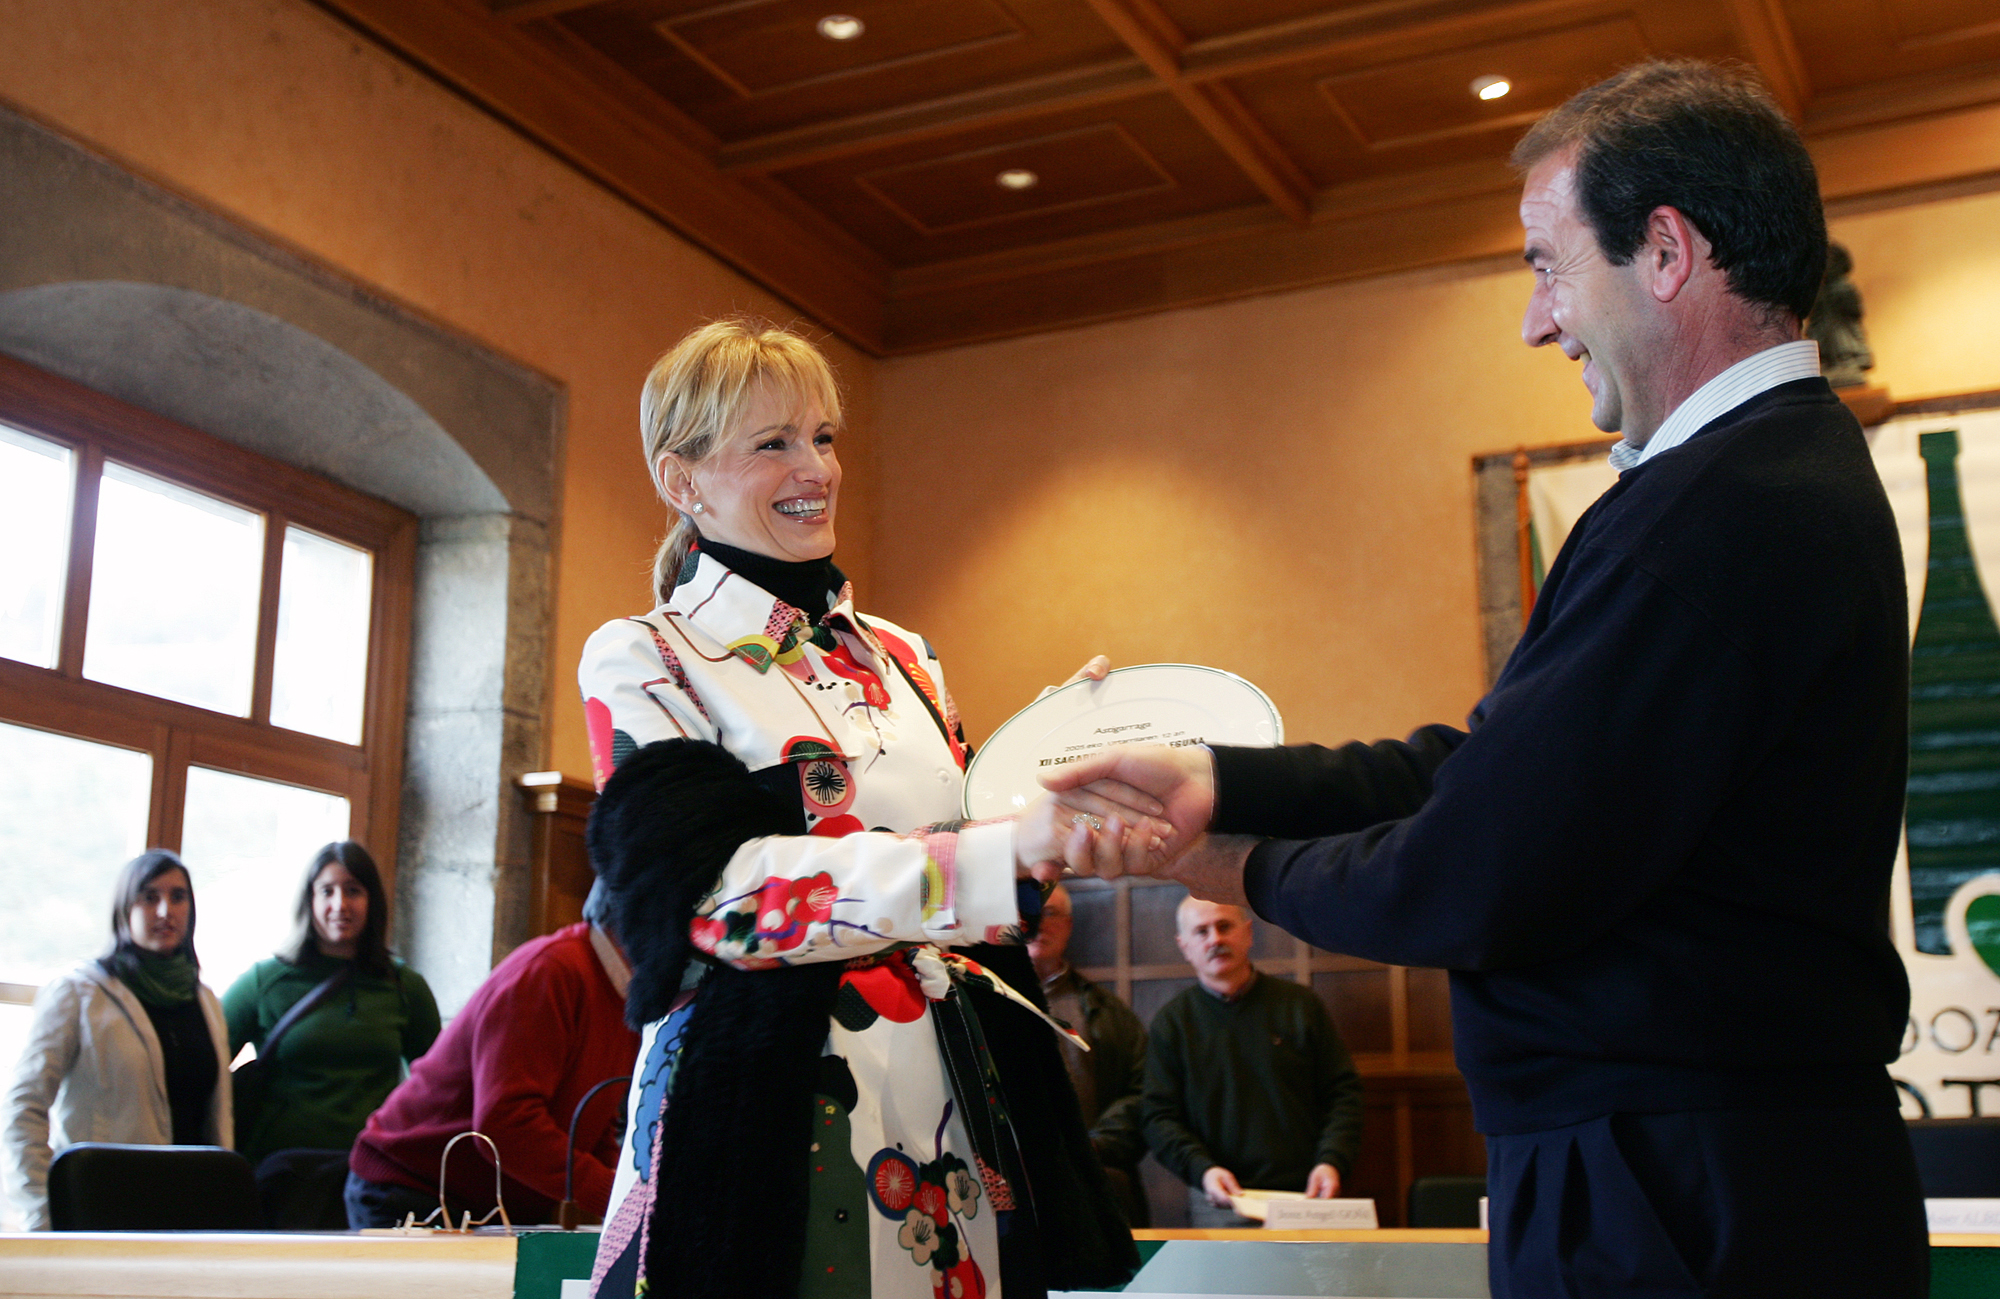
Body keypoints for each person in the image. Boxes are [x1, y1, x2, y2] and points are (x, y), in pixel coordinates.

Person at [1051, 60, 1928, 1298]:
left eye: (1546, 265)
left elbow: (1477, 867)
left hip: (1679, 1199)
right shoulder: (1754, 481)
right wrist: (1216, 779)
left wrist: (1229, 866)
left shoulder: (1716, 513)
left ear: (1663, 251)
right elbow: (1484, 770)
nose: (1534, 320)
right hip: (1711, 1174)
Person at [580, 318, 1143, 1299]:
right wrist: (983, 858)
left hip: (961, 1104)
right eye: (773, 443)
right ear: (681, 480)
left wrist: (1054, 767)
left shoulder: (906, 655)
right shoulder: (647, 655)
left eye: (823, 436)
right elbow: (717, 903)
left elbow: (982, 859)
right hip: (770, 1118)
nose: (816, 468)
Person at [343, 889, 638, 1229]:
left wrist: (630, 1197)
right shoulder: (551, 970)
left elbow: (594, 1124)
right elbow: (505, 1123)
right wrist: (621, 1199)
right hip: (412, 1191)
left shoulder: (623, 990)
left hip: (489, 1203)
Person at [3, 850, 233, 1230]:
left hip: (192, 1215)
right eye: (149, 897)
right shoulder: (78, 993)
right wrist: (44, 1215)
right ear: (125, 908)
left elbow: (216, 1119)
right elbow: (22, 1107)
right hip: (99, 1211)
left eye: (178, 897)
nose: (165, 911)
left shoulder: (205, 1001)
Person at [1143, 898, 1361, 1228]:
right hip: (1218, 1201)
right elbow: (1158, 1117)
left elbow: (1343, 1094)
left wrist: (1332, 1161)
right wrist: (1203, 1170)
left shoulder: (1301, 1006)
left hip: (1308, 1194)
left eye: (1224, 926)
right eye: (1201, 932)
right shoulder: (1172, 1024)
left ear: (1248, 933)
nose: (1215, 939)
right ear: (1184, 946)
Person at [223, 841, 440, 1168]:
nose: (340, 905)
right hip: (281, 1173)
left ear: (372, 901)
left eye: (353, 891)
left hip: (369, 1171)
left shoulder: (404, 986)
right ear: (309, 900)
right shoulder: (265, 982)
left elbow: (438, 1085)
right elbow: (205, 1065)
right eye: (327, 891)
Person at [1025, 883, 1149, 1226]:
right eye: (1028, 912)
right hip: (1014, 1183)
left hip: (1095, 1181)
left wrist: (1092, 1146)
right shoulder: (983, 1004)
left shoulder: (1107, 1011)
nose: (1038, 923)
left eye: (1050, 913)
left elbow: (1142, 1092)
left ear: (1068, 925)